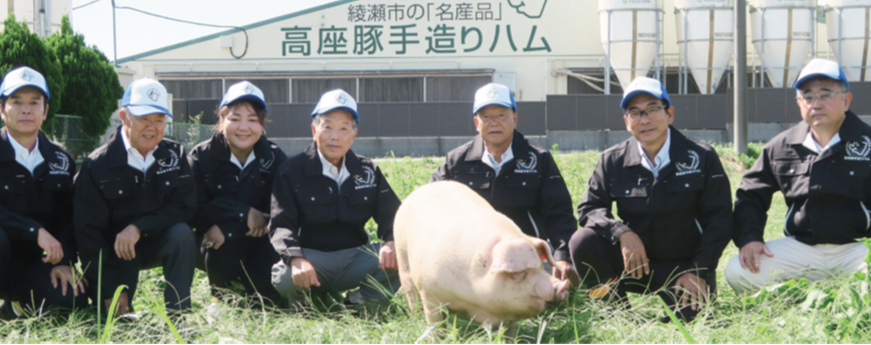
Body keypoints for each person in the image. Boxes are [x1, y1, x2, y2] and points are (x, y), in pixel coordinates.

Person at [726, 59, 871, 293]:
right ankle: (801, 300)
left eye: (825, 95)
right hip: (802, 249)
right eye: (807, 96)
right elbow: (750, 196)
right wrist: (750, 238)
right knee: (737, 271)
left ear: (846, 100)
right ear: (799, 103)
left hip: (858, 248)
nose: (815, 103)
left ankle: (844, 295)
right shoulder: (782, 146)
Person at [569, 77, 732, 323]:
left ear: (670, 114)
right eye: (635, 113)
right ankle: (614, 313)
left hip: (684, 268)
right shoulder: (613, 160)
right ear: (627, 122)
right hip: (634, 263)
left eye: (653, 109)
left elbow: (720, 221)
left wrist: (699, 270)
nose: (644, 119)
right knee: (583, 240)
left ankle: (690, 291)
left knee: (694, 321)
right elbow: (589, 208)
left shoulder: (701, 157)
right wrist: (621, 232)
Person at [0, 67, 88, 336]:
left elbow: (67, 216)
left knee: (75, 297)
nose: (26, 110)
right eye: (16, 102)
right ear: (2, 109)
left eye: (34, 102)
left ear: (45, 111)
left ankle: (14, 309)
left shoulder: (61, 159)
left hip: (31, 263)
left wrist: (64, 260)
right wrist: (35, 231)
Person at [430, 83, 580, 286]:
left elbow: (559, 214)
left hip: (529, 253)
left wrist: (562, 256)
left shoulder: (539, 159)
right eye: (486, 117)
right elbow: (430, 203)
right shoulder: (456, 162)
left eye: (501, 115)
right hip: (474, 256)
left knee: (553, 289)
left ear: (514, 119)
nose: (494, 123)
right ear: (476, 122)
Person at [73, 79, 197, 317]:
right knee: (117, 322)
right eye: (143, 119)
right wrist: (108, 287)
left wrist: (139, 227)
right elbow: (89, 234)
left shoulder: (175, 154)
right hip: (115, 252)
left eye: (159, 120)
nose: (152, 127)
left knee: (182, 234)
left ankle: (180, 315)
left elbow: (185, 206)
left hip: (155, 241)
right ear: (123, 116)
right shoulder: (97, 165)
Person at [269, 89, 401, 309]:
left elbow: (393, 214)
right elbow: (281, 224)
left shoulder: (367, 170)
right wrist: (296, 258)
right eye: (327, 126)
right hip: (312, 258)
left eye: (343, 128)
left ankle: (357, 305)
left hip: (356, 257)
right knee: (283, 276)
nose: (335, 136)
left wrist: (392, 240)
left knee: (401, 259)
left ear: (353, 134)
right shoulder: (292, 170)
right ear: (314, 130)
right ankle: (307, 306)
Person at [188, 82, 287, 309]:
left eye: (252, 120)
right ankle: (219, 297)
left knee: (266, 304)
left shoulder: (274, 158)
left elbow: (283, 207)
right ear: (222, 122)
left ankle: (253, 287)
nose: (244, 127)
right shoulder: (201, 157)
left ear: (262, 125)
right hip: (217, 242)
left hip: (261, 239)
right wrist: (243, 213)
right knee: (220, 235)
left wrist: (258, 219)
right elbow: (192, 208)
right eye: (234, 118)